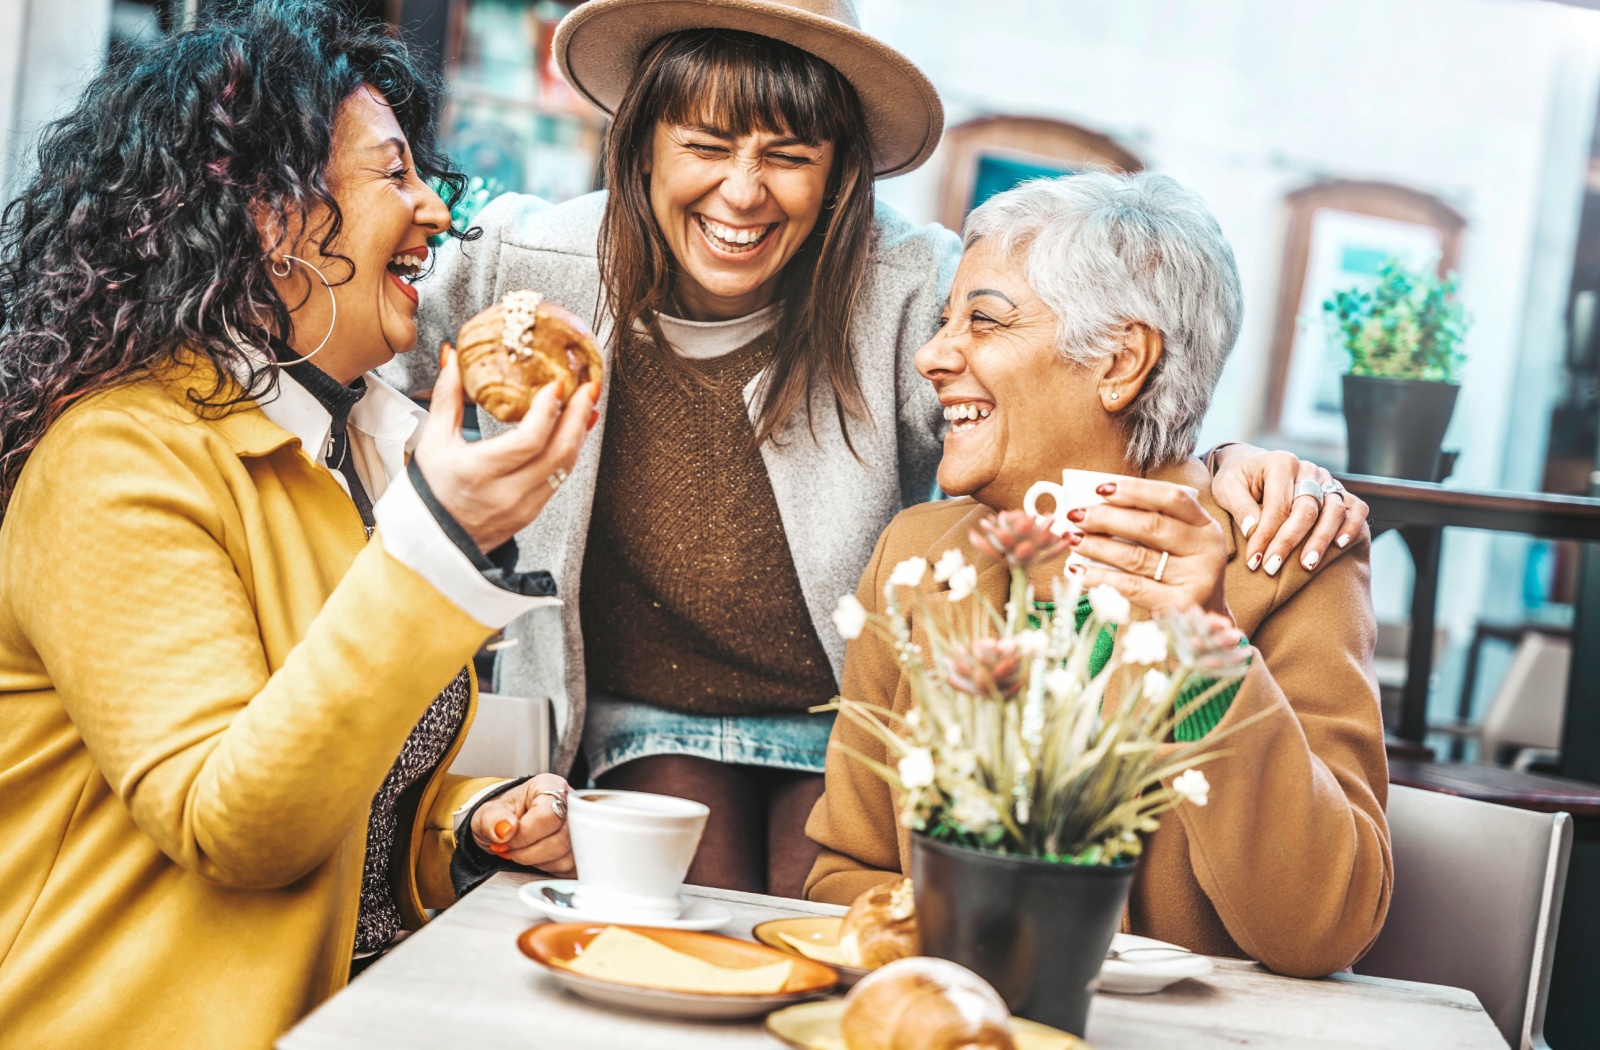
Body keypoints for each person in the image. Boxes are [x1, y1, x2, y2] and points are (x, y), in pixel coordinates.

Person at [381, 0, 1370, 899]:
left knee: (823, 908)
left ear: (840, 167)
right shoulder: (526, 262)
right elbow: (354, 342)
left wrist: (1227, 461)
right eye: (708, 144)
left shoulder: (910, 287)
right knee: (690, 905)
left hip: (850, 707)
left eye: (789, 154)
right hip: (640, 708)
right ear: (640, 145)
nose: (742, 191)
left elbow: (1069, 399)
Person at [0, 5, 593, 1047]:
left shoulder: (345, 448)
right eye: (393, 176)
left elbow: (328, 773)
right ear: (271, 215)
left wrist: (465, 824)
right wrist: (439, 550)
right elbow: (232, 826)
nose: (438, 217)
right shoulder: (118, 457)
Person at [804, 172, 1391, 977]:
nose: (932, 357)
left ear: (1121, 360)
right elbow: (846, 874)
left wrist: (1206, 650)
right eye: (945, 322)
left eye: (982, 320)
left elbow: (1324, 926)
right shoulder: (917, 558)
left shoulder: (1285, 558)